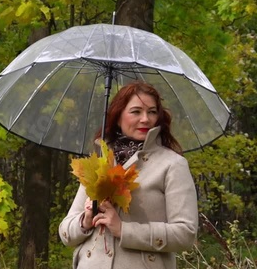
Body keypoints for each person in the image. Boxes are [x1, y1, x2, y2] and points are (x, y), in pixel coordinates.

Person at [59, 81, 198, 269]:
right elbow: (66, 233)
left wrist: (125, 230)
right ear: (118, 117)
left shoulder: (172, 165)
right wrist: (86, 219)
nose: (145, 119)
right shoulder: (101, 162)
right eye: (136, 111)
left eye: (152, 111)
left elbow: (186, 234)